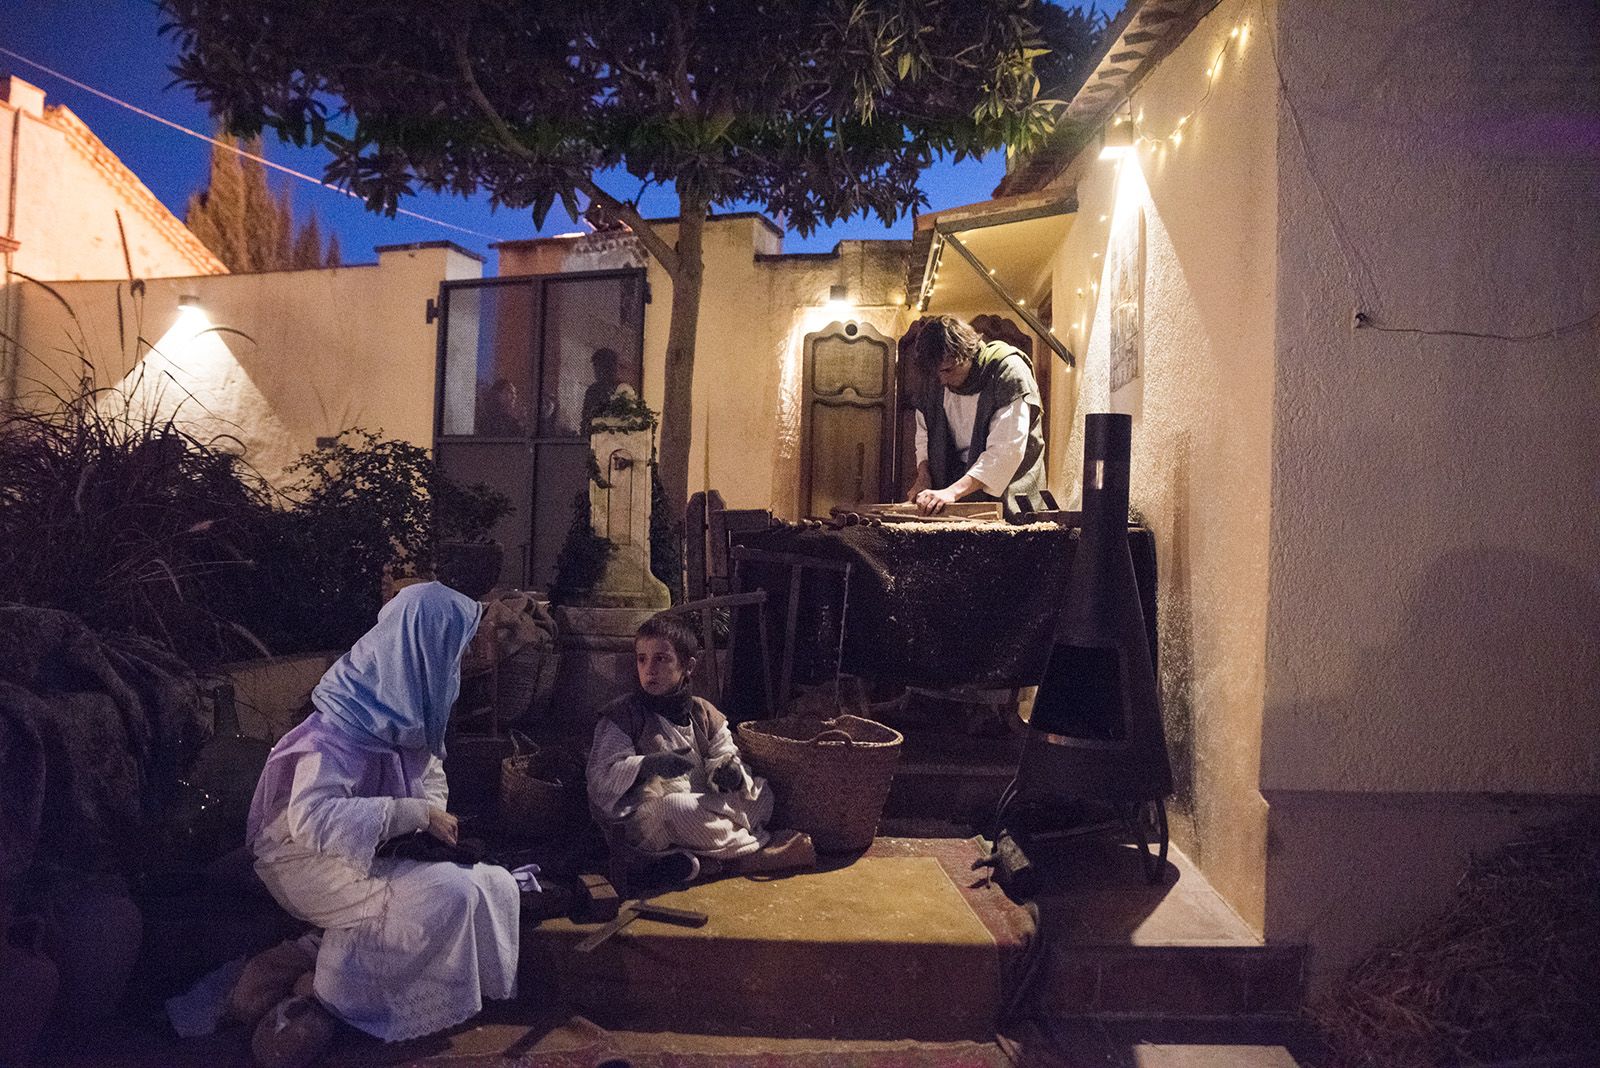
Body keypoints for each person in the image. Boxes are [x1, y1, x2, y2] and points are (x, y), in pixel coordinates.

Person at [242, 582, 519, 1065]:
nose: (462, 659)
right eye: (454, 647)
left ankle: (342, 957)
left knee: (492, 885)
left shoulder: (408, 701)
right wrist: (413, 816)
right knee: (448, 894)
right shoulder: (343, 722)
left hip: (375, 848)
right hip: (304, 858)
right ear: (422, 646)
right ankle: (331, 990)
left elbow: (429, 774)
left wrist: (428, 822)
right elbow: (310, 819)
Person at [587, 613, 815, 890]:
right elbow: (601, 779)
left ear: (688, 666)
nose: (649, 669)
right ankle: (751, 849)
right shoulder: (623, 714)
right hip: (650, 820)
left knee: (763, 793)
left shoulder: (703, 712)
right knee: (675, 807)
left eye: (661, 658)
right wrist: (648, 765)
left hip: (703, 803)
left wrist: (727, 771)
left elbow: (724, 752)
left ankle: (698, 860)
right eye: (642, 658)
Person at [905, 314, 1046, 520]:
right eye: (937, 374)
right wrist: (924, 477)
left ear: (966, 355)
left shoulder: (1007, 370)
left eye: (947, 370)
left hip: (1009, 497)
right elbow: (924, 434)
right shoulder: (936, 377)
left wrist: (952, 492)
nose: (942, 380)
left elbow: (1006, 452)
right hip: (954, 497)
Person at [579, 347, 624, 435]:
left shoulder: (623, 389)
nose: (596, 371)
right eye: (595, 367)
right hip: (593, 437)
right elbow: (586, 418)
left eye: (599, 367)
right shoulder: (593, 391)